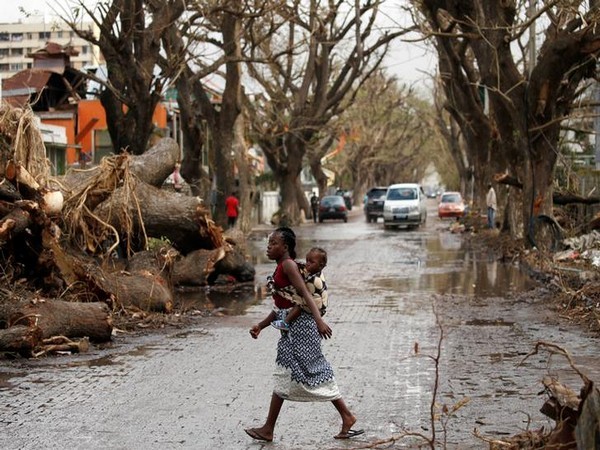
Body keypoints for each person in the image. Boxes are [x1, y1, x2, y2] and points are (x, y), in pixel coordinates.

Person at [245, 227, 363, 442]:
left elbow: (305, 295)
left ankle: (347, 415)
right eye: (269, 243)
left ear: (285, 247)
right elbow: (282, 304)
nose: (269, 247)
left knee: (313, 370)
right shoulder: (282, 266)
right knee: (285, 373)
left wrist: (318, 320)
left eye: (273, 244)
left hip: (303, 327)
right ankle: (269, 428)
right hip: (292, 328)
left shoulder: (288, 265)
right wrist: (261, 326)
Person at [270, 246, 328, 331]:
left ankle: (286, 322)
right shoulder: (312, 272)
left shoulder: (315, 280)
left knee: (299, 304)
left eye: (311, 262)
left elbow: (304, 293)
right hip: (316, 309)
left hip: (317, 308)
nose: (307, 263)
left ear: (320, 266)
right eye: (307, 260)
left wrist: (319, 321)